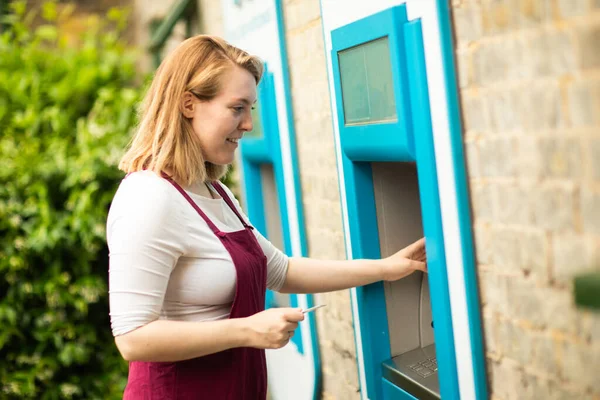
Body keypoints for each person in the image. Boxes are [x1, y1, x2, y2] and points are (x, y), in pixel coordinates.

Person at [107, 34, 427, 400]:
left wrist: (388, 267)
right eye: (237, 108)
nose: (247, 124)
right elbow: (133, 337)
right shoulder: (149, 198)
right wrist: (248, 331)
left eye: (251, 110)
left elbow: (283, 271)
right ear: (188, 104)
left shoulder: (215, 193)